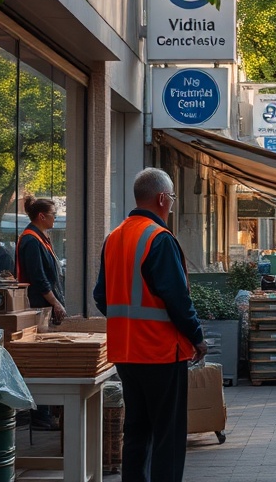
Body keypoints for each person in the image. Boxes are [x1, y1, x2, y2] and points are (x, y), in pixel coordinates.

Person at [93, 168, 207, 482]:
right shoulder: (159, 239)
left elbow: (101, 296)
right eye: (171, 197)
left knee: (136, 431)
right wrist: (197, 336)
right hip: (160, 351)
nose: (171, 203)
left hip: (125, 351)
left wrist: (127, 325)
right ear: (161, 198)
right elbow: (177, 299)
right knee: (168, 435)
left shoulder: (114, 237)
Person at [17, 195, 66, 431]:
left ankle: (44, 412)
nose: (55, 217)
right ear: (41, 216)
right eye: (53, 214)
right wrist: (55, 303)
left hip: (45, 306)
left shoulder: (40, 238)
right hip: (39, 307)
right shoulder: (31, 240)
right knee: (42, 360)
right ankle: (40, 415)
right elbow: (38, 278)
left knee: (47, 359)